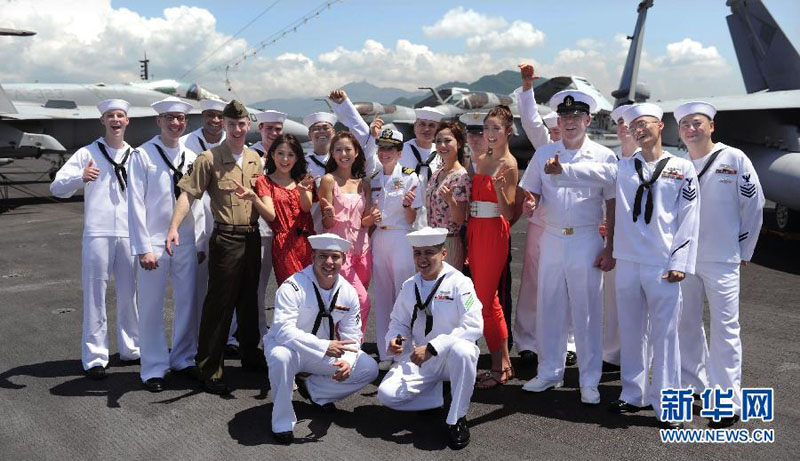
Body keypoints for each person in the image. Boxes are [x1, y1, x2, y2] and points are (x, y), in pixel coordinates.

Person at [544, 102, 700, 428]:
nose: (638, 130)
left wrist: (681, 261)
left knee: (665, 336)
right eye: (633, 127)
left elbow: (689, 220)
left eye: (644, 124)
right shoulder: (623, 167)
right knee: (631, 332)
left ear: (660, 125)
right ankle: (633, 393)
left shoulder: (682, 168)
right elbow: (593, 173)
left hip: (662, 264)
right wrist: (562, 171)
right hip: (629, 262)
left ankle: (668, 404)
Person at [518, 90, 616, 405]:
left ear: (588, 120)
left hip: (587, 239)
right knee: (549, 306)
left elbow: (612, 205)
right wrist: (531, 201)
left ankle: (589, 381)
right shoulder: (544, 151)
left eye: (577, 117)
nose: (570, 122)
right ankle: (549, 372)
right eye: (565, 117)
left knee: (587, 311)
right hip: (552, 236)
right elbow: (530, 191)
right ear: (558, 121)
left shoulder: (604, 156)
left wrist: (610, 246)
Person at [675, 101, 764, 428]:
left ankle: (727, 401)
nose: (691, 129)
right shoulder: (678, 164)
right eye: (684, 124)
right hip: (686, 260)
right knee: (686, 325)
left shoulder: (734, 158)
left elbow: (754, 205)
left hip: (723, 259)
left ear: (712, 126)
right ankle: (694, 387)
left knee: (725, 329)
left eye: (697, 122)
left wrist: (744, 249)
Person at [167, 100, 265, 394]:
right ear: (224, 125)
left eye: (241, 124)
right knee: (219, 305)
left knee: (249, 302)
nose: (237, 129)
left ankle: (249, 356)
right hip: (226, 239)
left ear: (248, 126)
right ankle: (209, 366)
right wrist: (173, 227)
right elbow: (188, 195)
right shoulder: (208, 159)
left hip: (252, 237)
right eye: (231, 124)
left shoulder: (254, 159)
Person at [49, 99, 140, 379]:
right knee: (95, 295)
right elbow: (56, 188)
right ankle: (95, 357)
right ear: (102, 121)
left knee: (130, 294)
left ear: (127, 122)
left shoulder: (136, 155)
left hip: (128, 232)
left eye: (120, 116)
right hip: (97, 232)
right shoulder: (87, 153)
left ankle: (131, 348)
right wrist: (80, 176)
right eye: (110, 115)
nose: (115, 120)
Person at [265, 233, 379, 445]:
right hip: (291, 349)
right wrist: (323, 346)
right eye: (323, 256)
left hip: (323, 351)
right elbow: (283, 331)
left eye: (335, 257)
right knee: (280, 357)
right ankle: (282, 421)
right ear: (313, 257)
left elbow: (352, 336)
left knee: (368, 368)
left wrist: (348, 362)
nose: (329, 262)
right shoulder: (293, 286)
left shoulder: (348, 292)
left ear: (343, 261)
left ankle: (316, 391)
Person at [378, 227, 483, 450]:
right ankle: (436, 397)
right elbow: (399, 322)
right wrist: (396, 338)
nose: (422, 259)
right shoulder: (409, 286)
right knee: (386, 395)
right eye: (417, 253)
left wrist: (434, 347)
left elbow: (474, 325)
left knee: (465, 351)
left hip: (450, 356)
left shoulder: (460, 283)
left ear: (443, 254)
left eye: (429, 253)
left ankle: (457, 418)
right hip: (421, 358)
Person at [128, 97, 200, 391]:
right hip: (154, 242)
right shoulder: (143, 156)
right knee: (151, 306)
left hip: (187, 242)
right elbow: (134, 204)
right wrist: (143, 247)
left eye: (180, 119)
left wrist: (202, 241)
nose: (175, 123)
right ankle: (154, 367)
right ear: (158, 121)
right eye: (169, 118)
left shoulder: (193, 158)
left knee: (187, 303)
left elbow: (200, 203)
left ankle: (183, 358)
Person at [470, 105, 518, 389]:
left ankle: (499, 366)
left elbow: (509, 213)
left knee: (486, 302)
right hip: (475, 229)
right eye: (486, 128)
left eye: (495, 129)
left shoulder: (508, 164)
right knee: (490, 301)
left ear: (508, 131)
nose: (489, 133)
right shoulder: (483, 159)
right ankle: (504, 363)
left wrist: (500, 190)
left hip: (492, 232)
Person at [368, 128, 423, 371]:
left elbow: (411, 217)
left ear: (400, 152)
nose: (384, 152)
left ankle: (404, 350)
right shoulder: (374, 178)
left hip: (401, 236)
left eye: (390, 148)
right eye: (381, 148)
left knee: (403, 297)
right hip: (380, 237)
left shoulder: (411, 176)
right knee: (382, 297)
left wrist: (407, 205)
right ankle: (385, 351)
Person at [234, 133, 315, 285]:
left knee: (311, 291)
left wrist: (303, 191)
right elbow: (271, 216)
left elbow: (306, 207)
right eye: (280, 153)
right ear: (272, 155)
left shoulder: (303, 178)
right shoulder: (264, 181)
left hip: (307, 243)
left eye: (290, 154)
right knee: (291, 290)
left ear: (297, 157)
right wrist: (254, 198)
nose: (285, 159)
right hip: (284, 245)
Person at [317, 131, 373, 332]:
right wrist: (329, 214)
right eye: (338, 149)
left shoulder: (363, 184)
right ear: (332, 154)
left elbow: (364, 222)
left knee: (349, 305)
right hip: (340, 253)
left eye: (348, 149)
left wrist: (373, 217)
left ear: (356, 152)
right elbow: (327, 223)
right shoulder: (328, 180)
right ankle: (352, 344)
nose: (343, 154)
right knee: (362, 301)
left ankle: (346, 347)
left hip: (363, 252)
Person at [600, 103, 638, 370]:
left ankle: (642, 356)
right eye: (620, 123)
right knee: (612, 299)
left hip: (642, 245)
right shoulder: (608, 158)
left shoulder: (653, 159)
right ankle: (613, 353)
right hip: (612, 241)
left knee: (642, 304)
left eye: (629, 122)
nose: (624, 127)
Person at [427, 121, 470, 270]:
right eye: (438, 141)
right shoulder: (437, 173)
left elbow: (460, 219)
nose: (442, 145)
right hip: (432, 241)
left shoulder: (461, 176)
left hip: (449, 243)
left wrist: (451, 201)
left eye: (447, 141)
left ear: (458, 144)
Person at [401, 107, 445, 229]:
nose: (426, 129)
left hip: (435, 219)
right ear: (415, 126)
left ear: (437, 129)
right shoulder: (401, 151)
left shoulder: (442, 153)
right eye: (422, 124)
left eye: (432, 125)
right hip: (404, 218)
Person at [303, 111, 338, 233]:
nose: (321, 131)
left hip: (340, 226)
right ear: (309, 134)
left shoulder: (342, 162)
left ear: (333, 132)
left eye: (325, 127)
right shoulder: (302, 165)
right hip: (313, 226)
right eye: (316, 128)